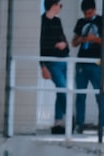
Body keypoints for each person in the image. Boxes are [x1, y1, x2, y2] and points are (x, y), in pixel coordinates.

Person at [72, 0, 104, 133]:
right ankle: (79, 124)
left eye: (89, 13)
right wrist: (81, 39)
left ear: (94, 9)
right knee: (80, 94)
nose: (87, 15)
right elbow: (74, 43)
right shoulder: (81, 22)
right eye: (85, 13)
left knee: (100, 94)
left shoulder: (103, 20)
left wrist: (94, 39)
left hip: (96, 63)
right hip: (82, 62)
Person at [41, 0, 70, 134]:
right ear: (53, 5)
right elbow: (39, 45)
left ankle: (58, 121)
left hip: (64, 60)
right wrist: (42, 67)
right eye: (60, 5)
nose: (60, 8)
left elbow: (63, 39)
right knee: (63, 89)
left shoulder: (57, 21)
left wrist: (64, 44)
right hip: (52, 62)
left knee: (61, 90)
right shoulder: (42, 22)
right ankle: (70, 117)